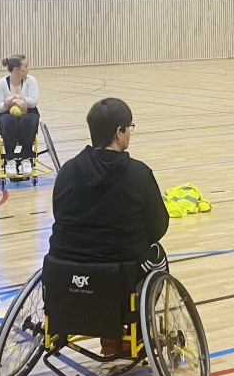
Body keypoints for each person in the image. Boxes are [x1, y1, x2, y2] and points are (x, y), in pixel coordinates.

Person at [49, 98, 168, 354]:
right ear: (118, 132)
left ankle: (110, 338)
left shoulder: (67, 171)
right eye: (129, 128)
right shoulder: (139, 174)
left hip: (64, 273)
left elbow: (59, 215)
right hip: (118, 278)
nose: (129, 134)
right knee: (158, 256)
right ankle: (137, 327)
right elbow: (158, 227)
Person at [0, 54, 40, 179]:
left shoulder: (31, 81)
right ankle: (9, 159)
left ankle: (26, 158)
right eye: (25, 66)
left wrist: (16, 98)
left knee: (28, 121)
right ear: (16, 70)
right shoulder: (0, 84)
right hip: (6, 114)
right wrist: (11, 103)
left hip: (28, 112)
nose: (28, 69)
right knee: (9, 121)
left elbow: (33, 102)